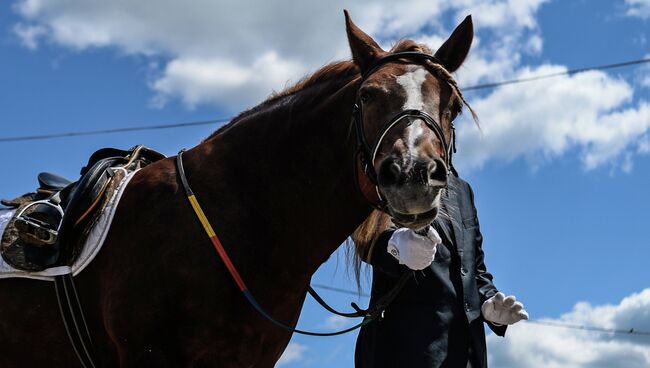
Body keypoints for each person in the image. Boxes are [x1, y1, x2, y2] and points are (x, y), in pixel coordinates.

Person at [354, 172, 528, 368]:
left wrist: (489, 301)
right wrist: (396, 246)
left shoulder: (463, 189)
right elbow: (365, 236)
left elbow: (474, 269)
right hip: (405, 350)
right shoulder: (388, 170)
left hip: (467, 354)